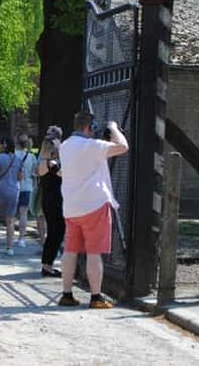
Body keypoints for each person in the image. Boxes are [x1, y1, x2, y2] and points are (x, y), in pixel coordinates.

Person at [58, 112, 128, 309]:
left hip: (71, 207)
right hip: (94, 204)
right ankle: (96, 296)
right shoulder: (92, 146)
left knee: (70, 250)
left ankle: (66, 294)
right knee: (94, 252)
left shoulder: (65, 146)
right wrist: (114, 128)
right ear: (89, 128)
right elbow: (123, 147)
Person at [38, 126, 65, 277]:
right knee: (55, 232)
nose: (47, 139)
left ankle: (48, 263)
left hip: (58, 199)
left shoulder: (58, 157)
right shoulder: (46, 160)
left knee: (57, 232)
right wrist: (48, 158)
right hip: (52, 201)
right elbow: (43, 171)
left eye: (51, 137)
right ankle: (47, 265)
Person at [0, 137, 22, 255]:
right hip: (14, 190)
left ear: (4, 145)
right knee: (10, 220)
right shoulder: (18, 159)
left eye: (0, 144)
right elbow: (20, 177)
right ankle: (10, 248)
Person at [15, 134, 37, 248]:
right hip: (27, 188)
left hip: (14, 187)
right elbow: (34, 175)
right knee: (24, 214)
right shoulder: (32, 157)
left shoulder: (13, 155)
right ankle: (21, 239)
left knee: (11, 214)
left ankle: (9, 236)